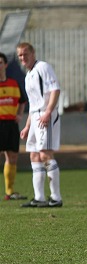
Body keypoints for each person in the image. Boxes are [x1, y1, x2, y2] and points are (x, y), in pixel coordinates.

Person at [16, 42, 63, 208]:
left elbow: (55, 90)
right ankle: (39, 197)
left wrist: (48, 111)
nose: (23, 57)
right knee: (34, 156)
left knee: (45, 154)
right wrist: (28, 126)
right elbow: (32, 103)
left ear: (33, 53)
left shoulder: (43, 67)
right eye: (20, 55)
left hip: (46, 115)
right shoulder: (28, 74)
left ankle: (56, 198)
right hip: (35, 117)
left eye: (25, 54)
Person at [0, 52, 28, 201]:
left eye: (0, 63)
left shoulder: (13, 83)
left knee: (12, 156)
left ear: (5, 65)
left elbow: (23, 101)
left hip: (11, 124)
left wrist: (19, 114)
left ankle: (9, 192)